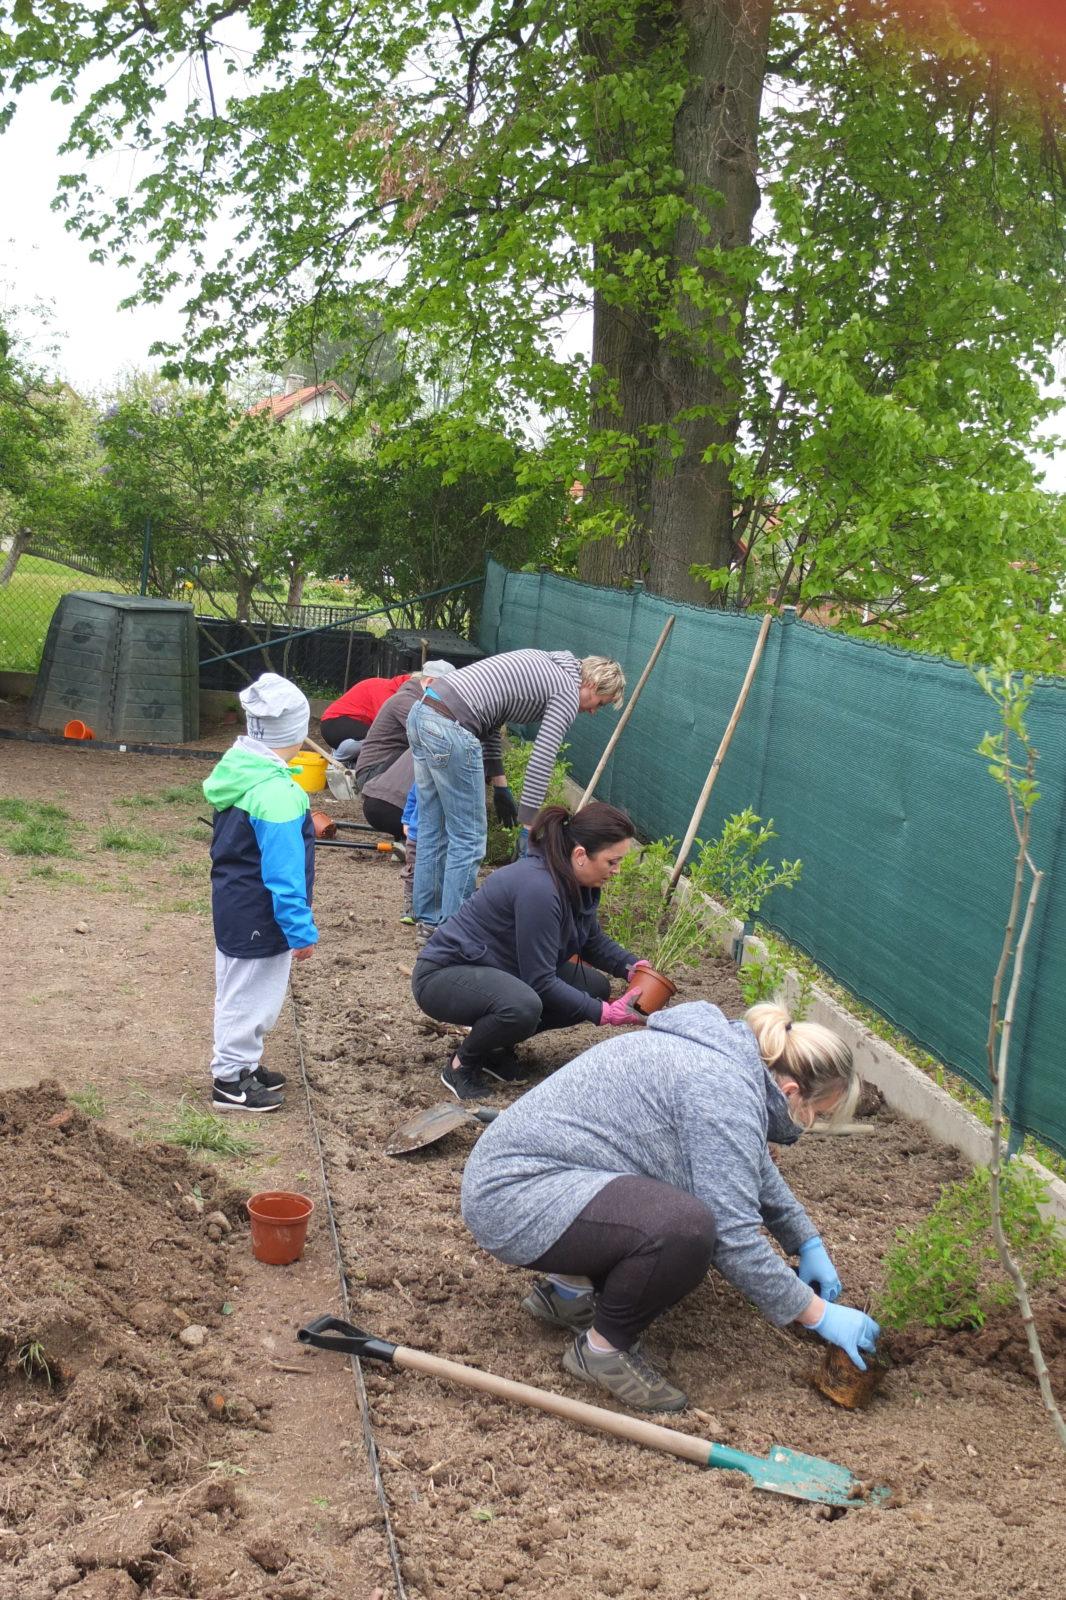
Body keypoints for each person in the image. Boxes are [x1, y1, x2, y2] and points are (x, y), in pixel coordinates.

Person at [460, 1000, 880, 1413]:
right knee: (688, 1227)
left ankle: (569, 1293)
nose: (807, 1125)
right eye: (814, 1114)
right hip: (514, 1200)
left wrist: (805, 1241)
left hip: (527, 1180)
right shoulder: (722, 1090)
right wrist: (818, 1314)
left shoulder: (724, 1058)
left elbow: (749, 1163)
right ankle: (601, 1352)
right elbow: (733, 1239)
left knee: (660, 1201)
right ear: (790, 1092)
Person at [412, 803, 649, 1101]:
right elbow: (540, 980)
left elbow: (591, 940)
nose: (617, 871)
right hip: (444, 975)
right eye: (612, 862)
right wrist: (603, 1014)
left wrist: (632, 967)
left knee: (594, 987)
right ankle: (462, 1065)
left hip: (497, 968)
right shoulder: (539, 888)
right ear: (580, 856)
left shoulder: (578, 883)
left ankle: (496, 1048)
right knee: (523, 1006)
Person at [406, 649, 625, 931]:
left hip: (423, 713)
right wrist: (528, 824)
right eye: (600, 703)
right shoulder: (567, 691)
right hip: (450, 727)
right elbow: (542, 756)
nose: (593, 711)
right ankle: (455, 931)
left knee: (433, 826)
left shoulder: (547, 665)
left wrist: (500, 785)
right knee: (469, 838)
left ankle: (428, 921)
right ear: (592, 684)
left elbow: (490, 723)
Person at [202, 673, 318, 1114]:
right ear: (299, 732)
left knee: (240, 987)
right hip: (260, 912)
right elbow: (284, 874)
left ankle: (242, 1064)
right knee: (249, 995)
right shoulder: (279, 795)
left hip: (236, 899)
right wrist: (299, 928)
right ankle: (229, 1081)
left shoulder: (241, 770)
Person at [354, 660, 456, 826]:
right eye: (447, 690)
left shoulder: (420, 699)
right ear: (430, 682)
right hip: (374, 773)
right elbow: (433, 731)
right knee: (431, 744)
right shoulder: (406, 701)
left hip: (389, 766)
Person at [319, 671, 411, 750]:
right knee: (385, 741)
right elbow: (386, 726)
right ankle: (341, 755)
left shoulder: (395, 688)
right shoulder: (388, 693)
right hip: (335, 723)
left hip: (339, 723)